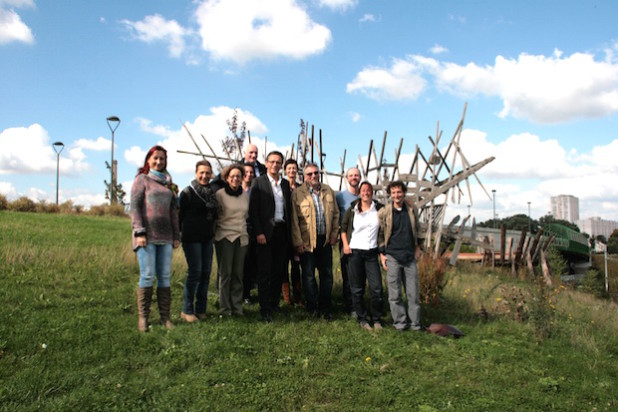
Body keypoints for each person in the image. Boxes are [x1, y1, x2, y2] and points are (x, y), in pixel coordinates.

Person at [130, 145, 180, 332]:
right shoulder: (142, 180)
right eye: (155, 158)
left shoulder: (168, 183)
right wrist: (139, 231)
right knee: (148, 275)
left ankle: (165, 318)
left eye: (162, 159)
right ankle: (143, 318)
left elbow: (173, 212)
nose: (159, 162)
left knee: (165, 276)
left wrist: (176, 235)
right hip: (147, 237)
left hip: (166, 236)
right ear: (148, 160)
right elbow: (134, 207)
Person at [291, 163, 339, 319]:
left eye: (316, 173)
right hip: (307, 241)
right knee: (309, 276)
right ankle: (312, 307)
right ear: (304, 176)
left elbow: (336, 214)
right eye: (309, 174)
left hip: (324, 240)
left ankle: (325, 307)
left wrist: (333, 235)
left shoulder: (328, 191)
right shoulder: (298, 194)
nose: (313, 176)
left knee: (327, 275)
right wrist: (297, 242)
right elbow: (294, 221)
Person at [249, 151, 292, 322]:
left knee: (279, 270)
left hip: (282, 231)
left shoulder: (285, 184)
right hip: (266, 233)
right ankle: (264, 308)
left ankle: (274, 303)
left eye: (278, 162)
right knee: (265, 271)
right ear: (266, 163)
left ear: (281, 165)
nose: (275, 165)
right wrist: (259, 232)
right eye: (272, 162)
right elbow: (253, 210)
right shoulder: (258, 182)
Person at [378, 180, 424, 332]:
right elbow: (379, 234)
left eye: (399, 192)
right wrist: (382, 254)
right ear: (390, 195)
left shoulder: (411, 210)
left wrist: (418, 248)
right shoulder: (385, 212)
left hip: (409, 256)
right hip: (393, 256)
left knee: (412, 293)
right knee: (395, 293)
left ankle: (415, 324)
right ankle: (400, 323)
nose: (396, 195)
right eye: (393, 192)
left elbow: (418, 229)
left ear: (404, 193)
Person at [340, 181, 384, 331]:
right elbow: (344, 229)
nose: (365, 193)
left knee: (377, 288)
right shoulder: (353, 209)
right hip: (355, 252)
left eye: (368, 190)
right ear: (360, 192)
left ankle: (376, 318)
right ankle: (362, 318)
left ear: (372, 192)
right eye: (363, 190)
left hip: (371, 253)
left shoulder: (379, 208)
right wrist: (346, 245)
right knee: (357, 288)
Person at [178, 160, 217, 323]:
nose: (205, 176)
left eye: (208, 173)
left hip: (207, 237)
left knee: (206, 273)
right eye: (201, 172)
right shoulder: (187, 193)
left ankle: (201, 309)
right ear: (195, 173)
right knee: (195, 272)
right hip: (191, 238)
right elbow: (179, 216)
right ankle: (187, 310)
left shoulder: (213, 193)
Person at [214, 164, 250, 316]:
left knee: (238, 274)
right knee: (226, 274)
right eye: (232, 176)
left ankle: (237, 306)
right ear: (227, 178)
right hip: (225, 237)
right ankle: (225, 308)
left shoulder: (244, 195)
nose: (235, 178)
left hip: (241, 237)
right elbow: (216, 217)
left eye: (238, 176)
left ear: (242, 178)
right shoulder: (220, 194)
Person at [336, 167, 361, 316]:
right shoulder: (340, 197)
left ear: (360, 177)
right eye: (351, 175)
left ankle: (359, 303)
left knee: (360, 275)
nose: (354, 177)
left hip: (363, 241)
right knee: (347, 275)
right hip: (346, 240)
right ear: (346, 178)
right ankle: (350, 306)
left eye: (356, 175)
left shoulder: (365, 194)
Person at [283, 158, 302, 306]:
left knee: (296, 265)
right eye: (289, 168)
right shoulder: (281, 186)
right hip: (283, 231)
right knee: (283, 265)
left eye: (294, 168)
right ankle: (286, 298)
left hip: (297, 231)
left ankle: (298, 296)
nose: (291, 171)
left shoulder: (301, 188)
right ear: (285, 171)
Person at [241, 162, 258, 303]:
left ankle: (246, 294)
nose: (248, 174)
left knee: (248, 263)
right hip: (235, 230)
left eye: (251, 172)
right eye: (246, 172)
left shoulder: (255, 190)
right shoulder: (233, 189)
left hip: (250, 229)